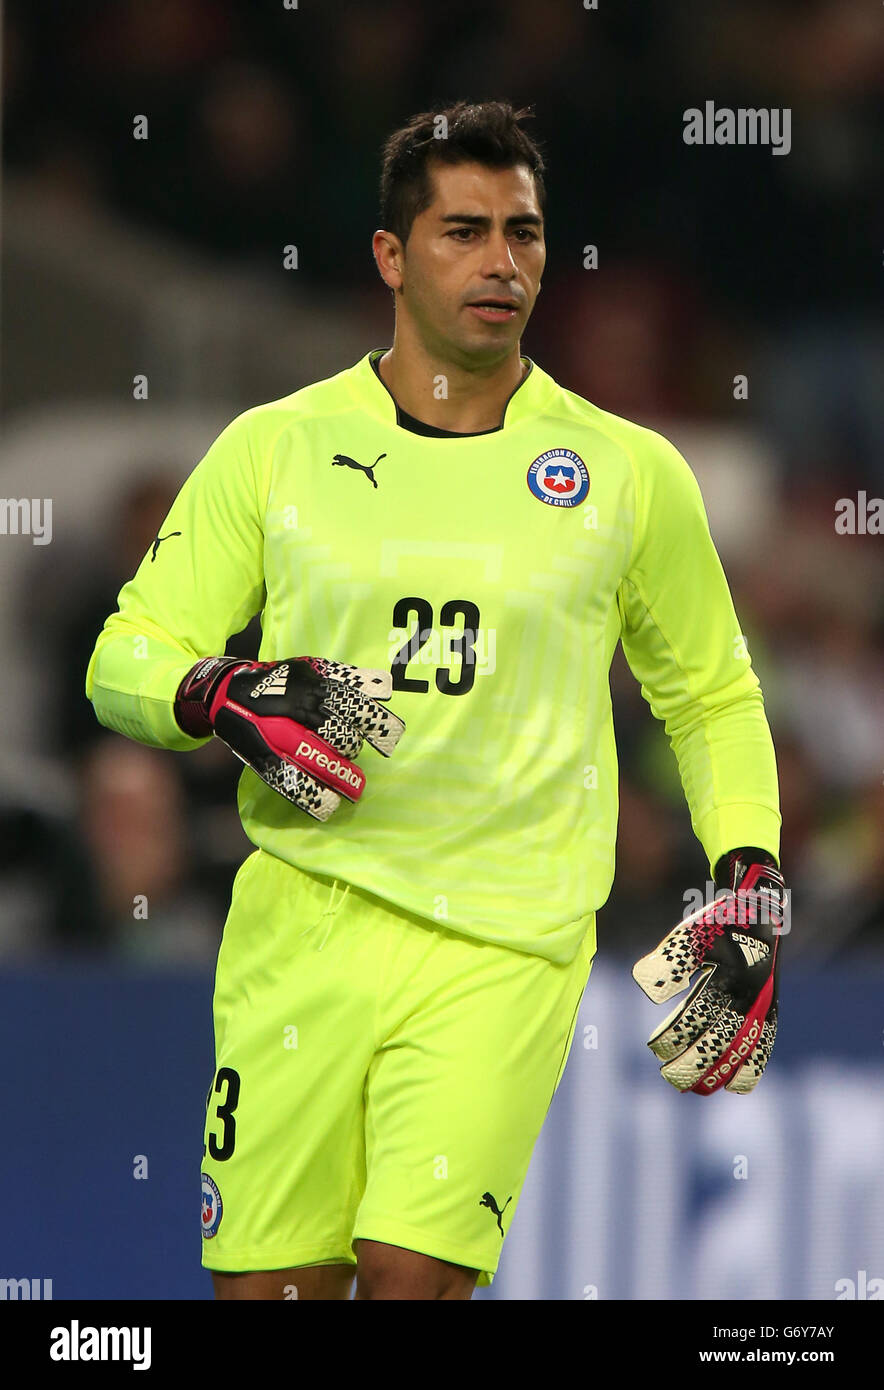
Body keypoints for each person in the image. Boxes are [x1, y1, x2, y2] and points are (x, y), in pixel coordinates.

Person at [86, 100, 787, 1301]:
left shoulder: (625, 472)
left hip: (503, 937)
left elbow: (711, 693)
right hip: (301, 925)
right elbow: (124, 655)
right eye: (463, 231)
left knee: (412, 1280)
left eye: (523, 232)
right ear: (389, 257)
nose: (501, 262)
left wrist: (749, 878)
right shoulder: (277, 448)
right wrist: (213, 693)